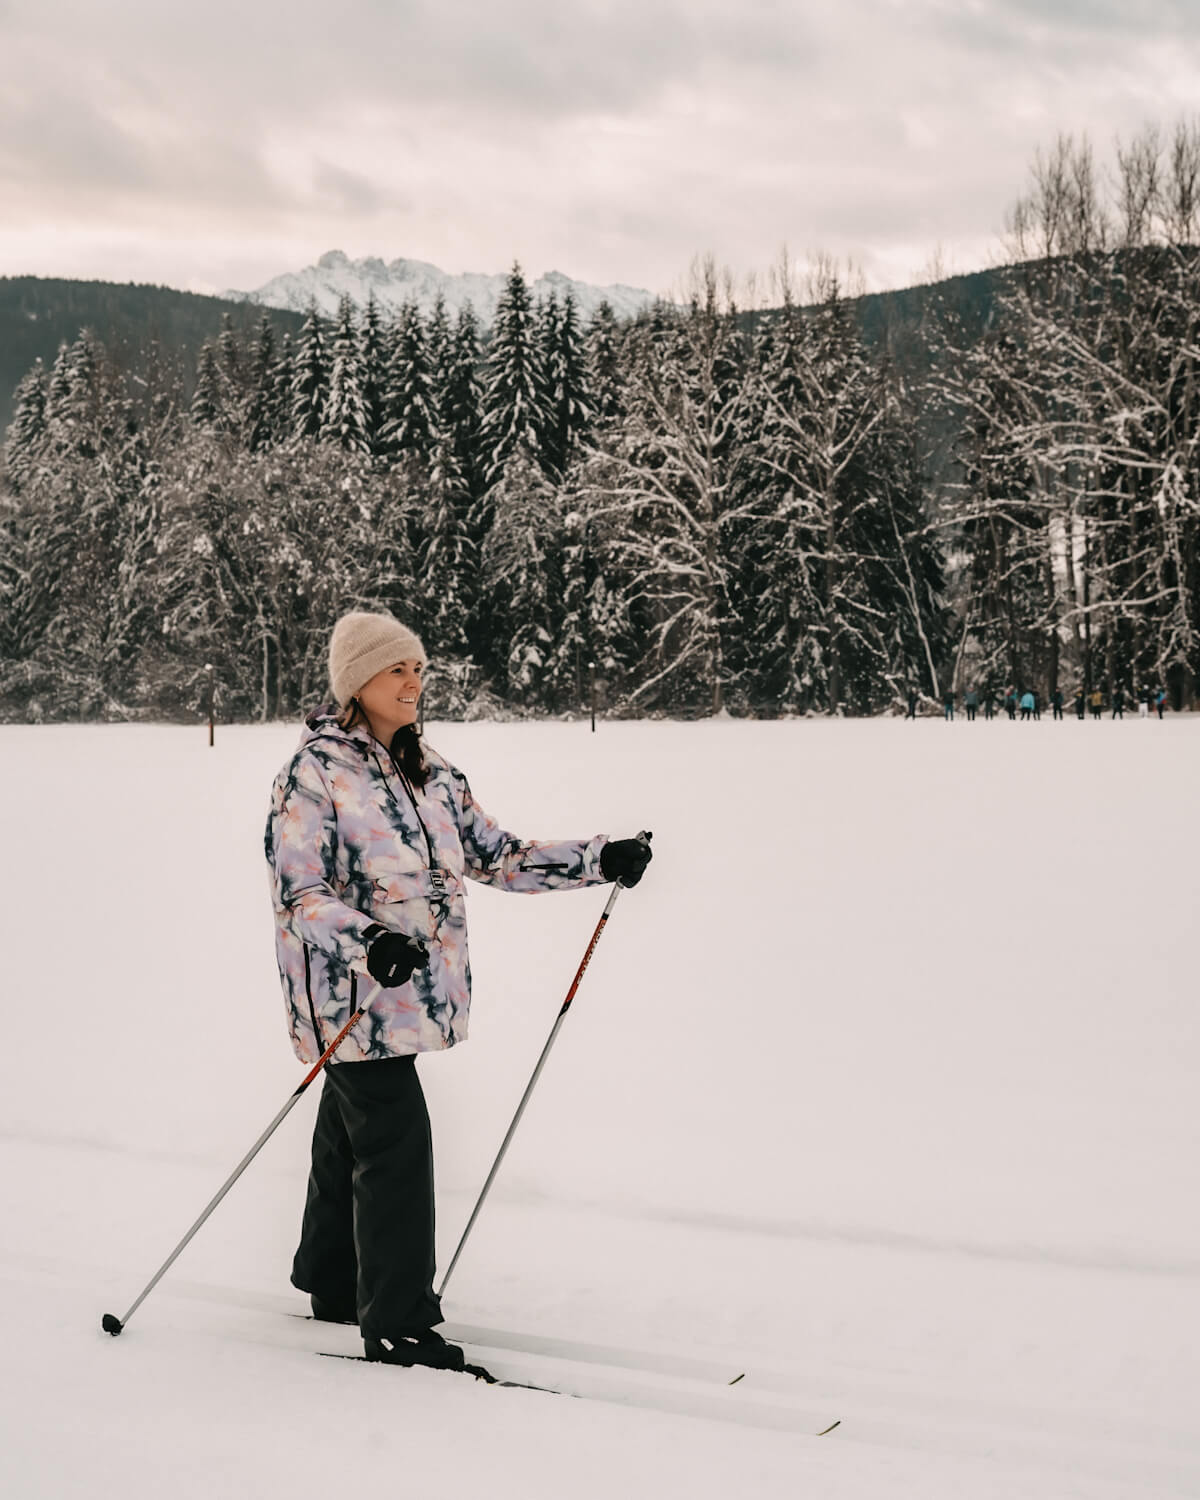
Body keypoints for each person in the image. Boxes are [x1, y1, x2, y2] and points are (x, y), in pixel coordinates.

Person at [264, 611, 653, 1373]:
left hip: (410, 993)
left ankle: (334, 1281)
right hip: (347, 996)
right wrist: (369, 941)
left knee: (352, 1128)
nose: (414, 682)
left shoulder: (429, 769)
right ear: (356, 684)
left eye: (417, 668)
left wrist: (598, 857)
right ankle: (400, 1321)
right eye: (396, 670)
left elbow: (499, 857)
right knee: (395, 1137)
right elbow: (298, 893)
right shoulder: (313, 773)